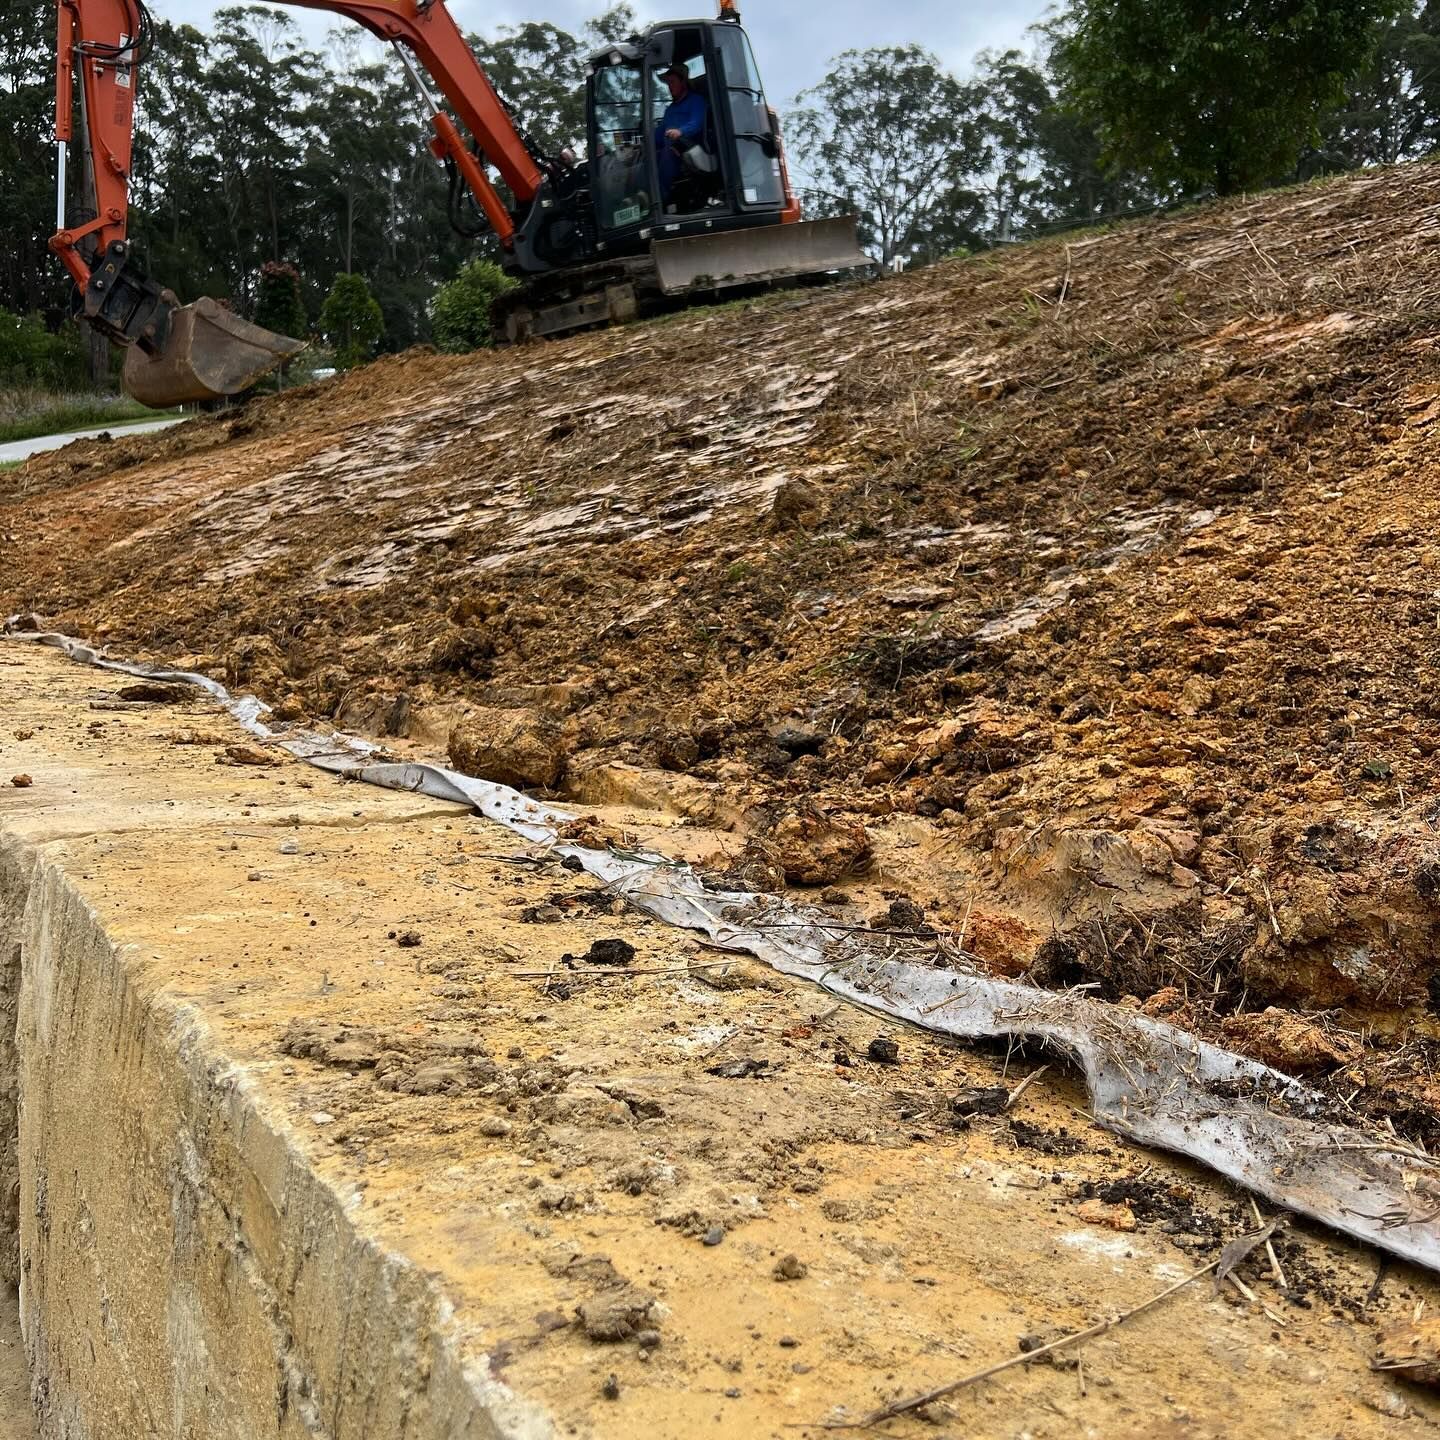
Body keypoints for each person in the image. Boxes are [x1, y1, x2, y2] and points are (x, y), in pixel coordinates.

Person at [654, 64, 707, 206]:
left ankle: (660, 200)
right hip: (670, 144)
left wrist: (680, 131)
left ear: (683, 82)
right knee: (651, 154)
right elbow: (660, 132)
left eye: (672, 82)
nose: (669, 87)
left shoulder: (696, 101)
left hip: (690, 144)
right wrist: (646, 139)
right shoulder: (670, 109)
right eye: (668, 83)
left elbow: (697, 123)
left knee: (669, 150)